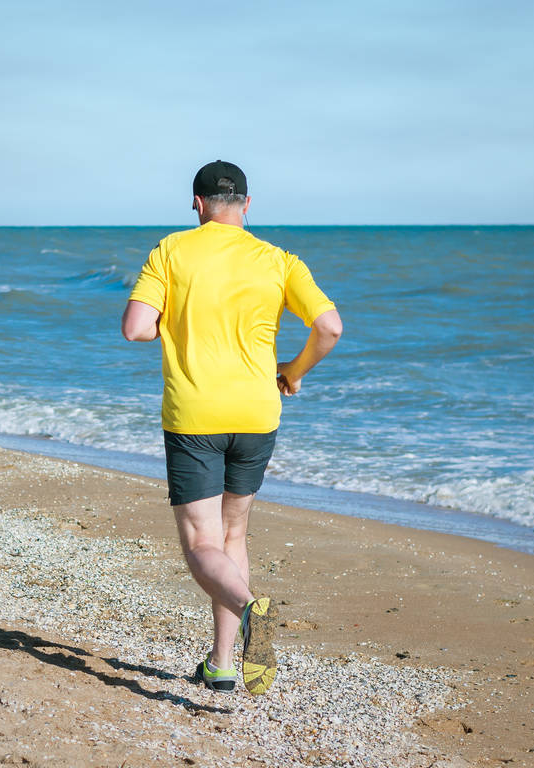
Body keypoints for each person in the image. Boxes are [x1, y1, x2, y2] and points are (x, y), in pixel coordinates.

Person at [121, 160, 342, 695]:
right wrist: (291, 372)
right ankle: (222, 664)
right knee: (233, 536)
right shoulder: (278, 260)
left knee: (202, 544)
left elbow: (135, 329)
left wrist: (171, 325)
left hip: (196, 416)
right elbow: (329, 327)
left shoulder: (172, 250)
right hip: (258, 414)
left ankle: (250, 612)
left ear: (197, 204)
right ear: (247, 204)